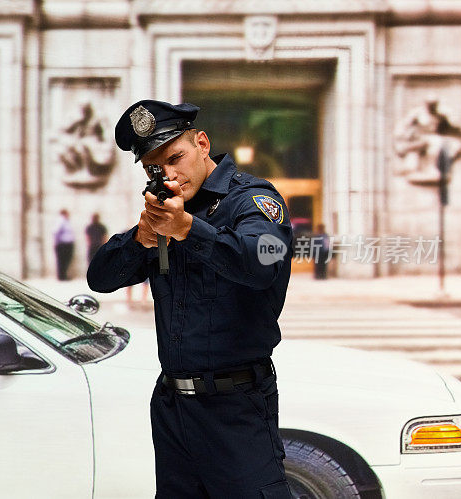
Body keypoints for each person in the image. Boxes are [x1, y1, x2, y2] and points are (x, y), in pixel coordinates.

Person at [87, 100, 293, 498]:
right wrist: (142, 237)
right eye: (154, 167)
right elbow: (101, 278)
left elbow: (264, 261)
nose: (169, 174)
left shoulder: (250, 200)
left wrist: (189, 230)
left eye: (175, 157)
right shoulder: (166, 213)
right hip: (172, 407)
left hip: (235, 405)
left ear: (202, 143)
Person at [54, 209, 75, 280]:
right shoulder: (61, 221)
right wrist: (58, 242)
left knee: (66, 260)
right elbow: (56, 232)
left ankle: (64, 275)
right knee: (62, 260)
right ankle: (62, 276)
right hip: (63, 244)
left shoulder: (66, 221)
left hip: (67, 244)